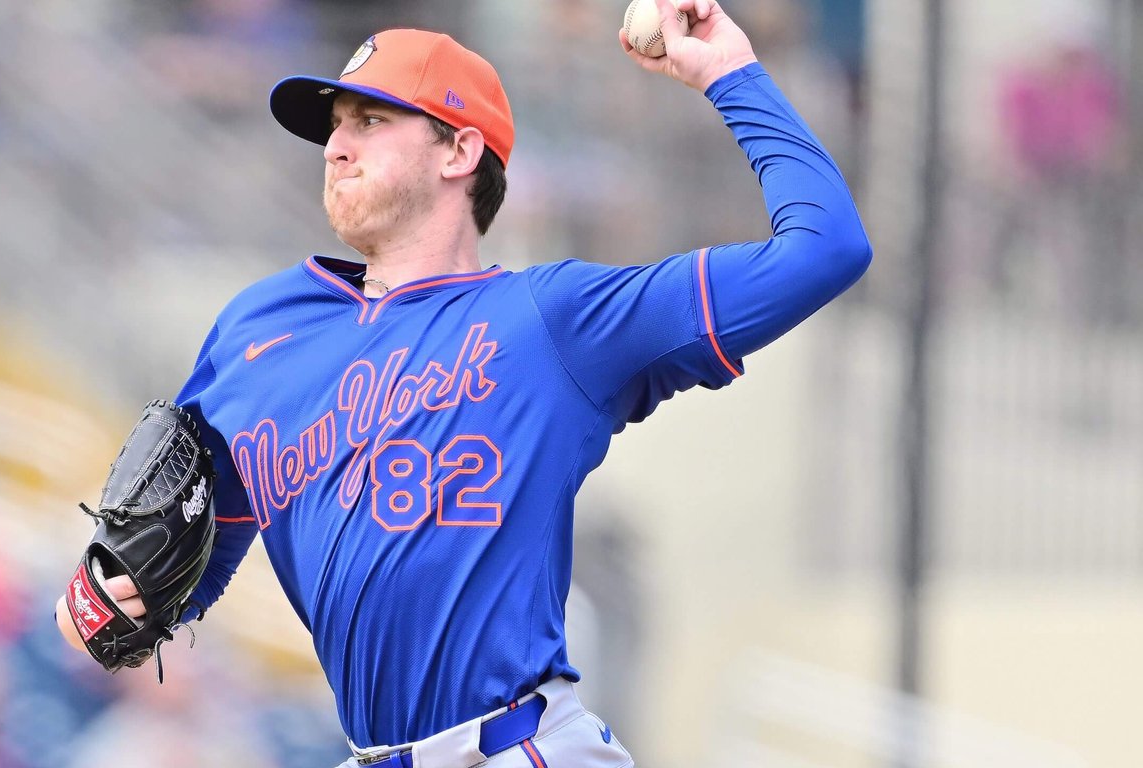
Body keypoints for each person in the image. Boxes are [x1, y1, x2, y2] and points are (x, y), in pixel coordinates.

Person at [56, 1, 871, 765]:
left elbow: (824, 248)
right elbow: (196, 549)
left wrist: (729, 71)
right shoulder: (258, 329)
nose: (338, 145)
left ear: (460, 150)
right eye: (336, 126)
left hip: (517, 747)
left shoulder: (555, 321)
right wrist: (115, 597)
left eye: (371, 120)